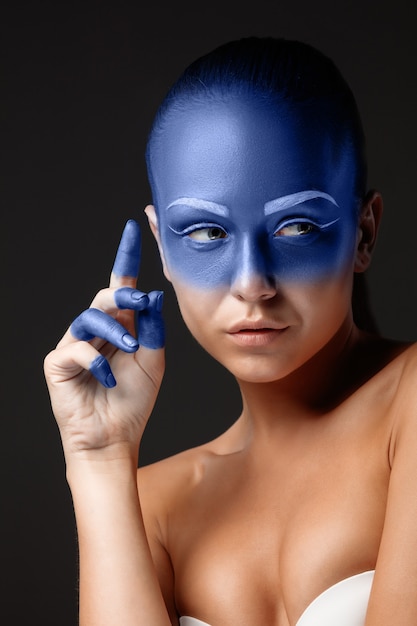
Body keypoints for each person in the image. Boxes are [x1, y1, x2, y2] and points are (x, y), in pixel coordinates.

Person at [44, 37, 417, 626]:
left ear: (364, 232)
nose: (252, 283)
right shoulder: (152, 506)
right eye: (207, 235)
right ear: (161, 246)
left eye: (296, 227)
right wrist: (98, 459)